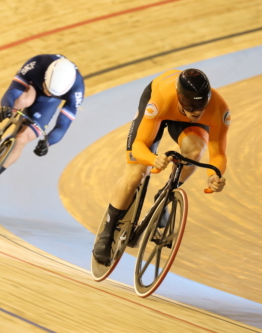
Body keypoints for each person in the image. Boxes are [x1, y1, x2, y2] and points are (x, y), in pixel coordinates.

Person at [93, 68, 230, 265]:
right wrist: (152, 159)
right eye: (190, 105)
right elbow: (139, 144)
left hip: (179, 116)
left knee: (194, 152)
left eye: (200, 105)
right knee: (137, 174)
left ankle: (164, 195)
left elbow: (218, 154)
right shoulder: (161, 99)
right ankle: (107, 231)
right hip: (162, 109)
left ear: (208, 97)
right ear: (179, 97)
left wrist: (214, 175)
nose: (196, 111)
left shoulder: (219, 109)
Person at [0, 54, 85, 206]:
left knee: (21, 140)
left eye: (54, 93)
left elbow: (62, 125)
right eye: (48, 89)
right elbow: (12, 92)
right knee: (22, 101)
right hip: (32, 89)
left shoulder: (77, 89)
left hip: (47, 105)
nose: (49, 92)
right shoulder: (37, 64)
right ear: (46, 76)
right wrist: (7, 108)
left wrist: (48, 142)